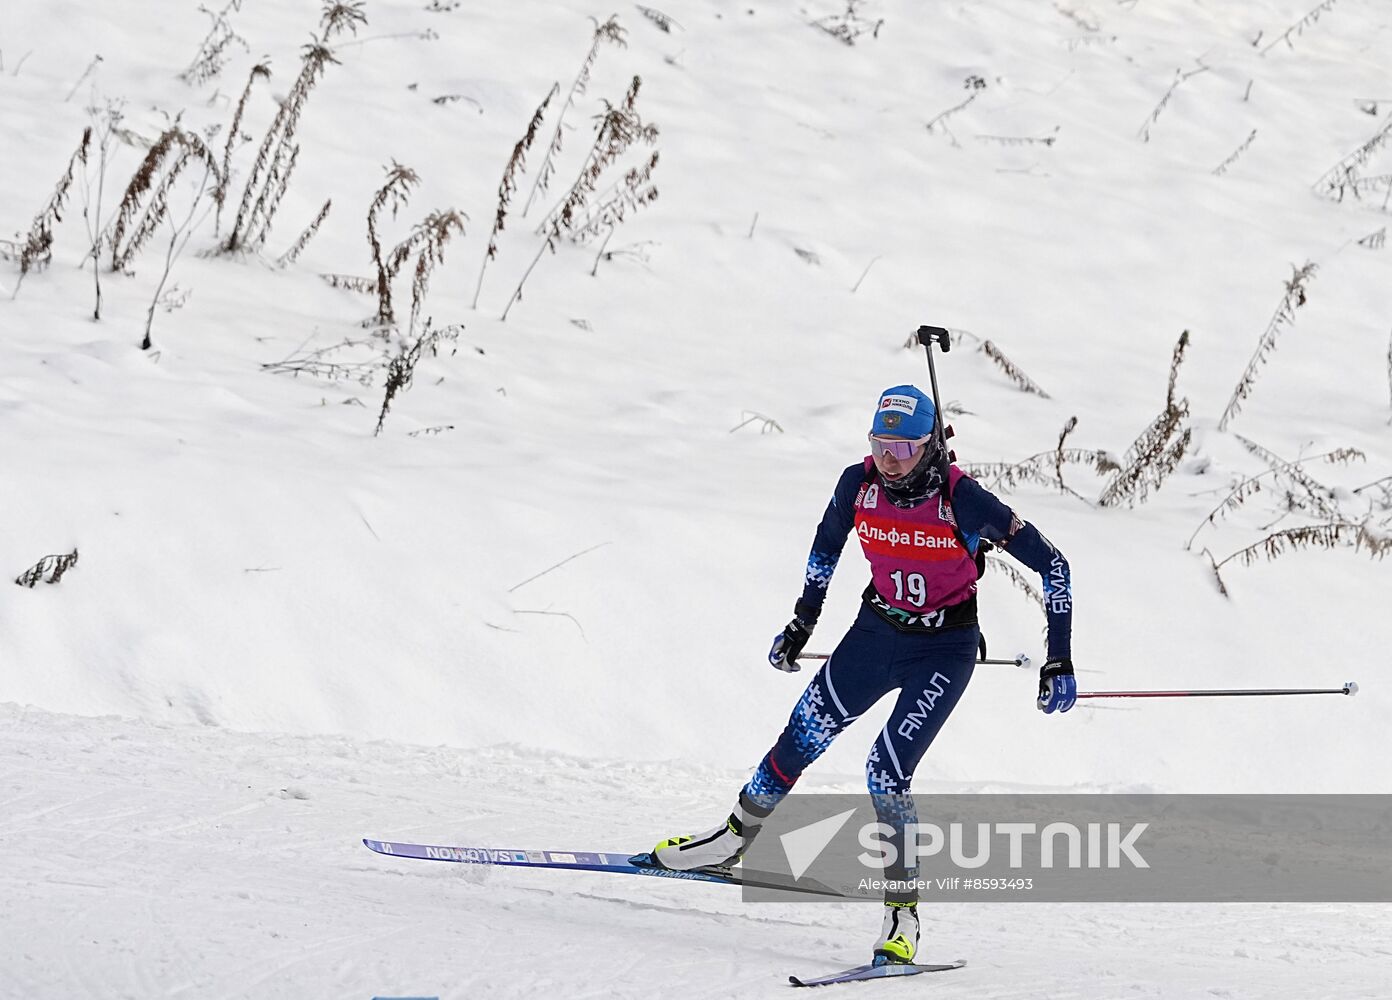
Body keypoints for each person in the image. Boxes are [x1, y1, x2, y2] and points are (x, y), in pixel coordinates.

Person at [650, 384, 1076, 966]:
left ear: (931, 445)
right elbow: (824, 550)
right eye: (880, 444)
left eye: (903, 446)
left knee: (885, 770)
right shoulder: (858, 484)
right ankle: (732, 841)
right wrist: (802, 624)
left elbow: (1054, 564)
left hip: (943, 650)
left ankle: (903, 917)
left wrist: (1059, 657)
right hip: (875, 634)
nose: (890, 458)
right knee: (800, 737)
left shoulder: (963, 499)